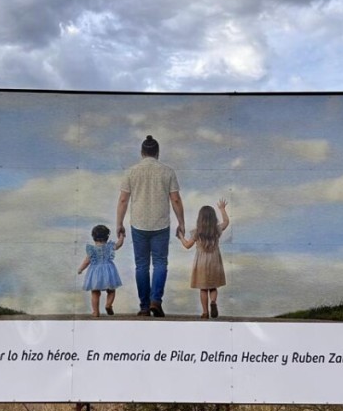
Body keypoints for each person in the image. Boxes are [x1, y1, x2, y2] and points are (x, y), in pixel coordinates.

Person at [116, 135, 185, 317]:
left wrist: (119, 223)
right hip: (160, 224)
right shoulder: (168, 172)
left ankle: (144, 307)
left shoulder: (131, 172)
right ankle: (156, 300)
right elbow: (175, 199)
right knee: (160, 262)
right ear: (157, 153)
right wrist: (181, 222)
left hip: (139, 224)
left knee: (141, 265)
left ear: (142, 152)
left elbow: (123, 200)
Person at [179, 199, 230, 318]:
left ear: (200, 219)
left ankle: (205, 313)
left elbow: (187, 245)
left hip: (201, 263)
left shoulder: (197, 233)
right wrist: (222, 209)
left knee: (203, 289)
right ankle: (213, 302)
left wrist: (181, 236)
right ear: (213, 218)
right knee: (213, 286)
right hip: (215, 261)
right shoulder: (217, 230)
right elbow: (226, 222)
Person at [77, 224, 123, 317]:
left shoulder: (92, 249)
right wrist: (122, 236)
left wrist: (80, 269)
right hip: (109, 271)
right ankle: (108, 305)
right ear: (107, 237)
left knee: (95, 293)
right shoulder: (109, 246)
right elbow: (118, 245)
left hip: (95, 273)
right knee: (111, 290)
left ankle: (96, 312)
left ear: (93, 237)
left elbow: (87, 261)